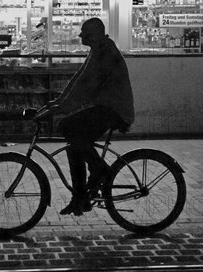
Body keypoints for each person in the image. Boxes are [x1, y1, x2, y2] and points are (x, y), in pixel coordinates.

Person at [38, 18, 134, 216]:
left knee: (68, 126)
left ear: (96, 34)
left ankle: (100, 170)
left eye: (85, 33)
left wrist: (60, 108)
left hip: (115, 109)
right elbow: (79, 79)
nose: (81, 36)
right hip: (106, 106)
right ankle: (80, 198)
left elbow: (87, 87)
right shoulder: (98, 49)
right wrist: (56, 103)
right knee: (75, 144)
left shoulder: (106, 53)